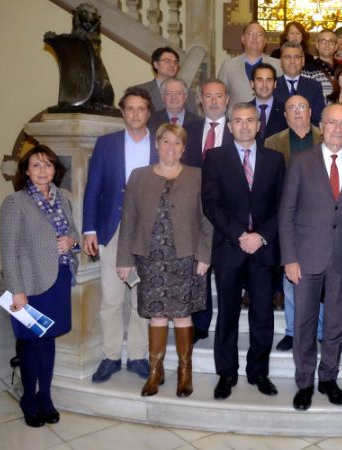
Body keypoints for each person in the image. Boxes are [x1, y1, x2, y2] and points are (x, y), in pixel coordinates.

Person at [279, 103, 342, 411]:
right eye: (332, 123)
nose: (338, 129)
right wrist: (289, 257)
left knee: (335, 325)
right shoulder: (302, 162)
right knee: (304, 324)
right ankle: (304, 382)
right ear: (321, 125)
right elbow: (286, 213)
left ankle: (328, 378)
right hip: (305, 258)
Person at [116, 123, 213, 397]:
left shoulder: (197, 176)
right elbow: (129, 220)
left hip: (185, 257)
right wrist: (125, 259)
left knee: (183, 317)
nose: (171, 147)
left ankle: (185, 373)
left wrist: (205, 255)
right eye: (166, 141)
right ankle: (155, 372)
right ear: (157, 145)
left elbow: (208, 220)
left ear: (184, 148)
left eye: (177, 143)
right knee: (156, 316)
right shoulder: (139, 176)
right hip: (150, 258)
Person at [201, 103, 286, 400]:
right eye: (238, 121)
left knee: (263, 313)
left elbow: (282, 205)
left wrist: (260, 236)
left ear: (259, 125)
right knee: (227, 313)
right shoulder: (214, 157)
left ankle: (258, 371)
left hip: (263, 250)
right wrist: (240, 234)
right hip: (229, 247)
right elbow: (210, 203)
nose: (245, 125)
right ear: (230, 126)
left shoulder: (275, 159)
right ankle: (226, 372)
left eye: (250, 120)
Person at [0, 145, 80, 427]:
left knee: (48, 341)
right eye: (36, 165)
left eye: (47, 164)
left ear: (55, 169)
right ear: (25, 171)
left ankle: (45, 397)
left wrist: (72, 242)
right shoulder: (15, 203)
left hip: (58, 279)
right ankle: (28, 399)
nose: (42, 170)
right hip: (30, 284)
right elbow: (8, 252)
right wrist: (16, 290)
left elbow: (73, 233)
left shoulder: (64, 198)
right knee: (32, 344)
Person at [83, 87, 156, 383]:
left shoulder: (161, 144)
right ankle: (111, 355)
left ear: (149, 113)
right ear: (122, 111)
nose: (136, 114)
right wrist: (90, 228)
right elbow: (93, 188)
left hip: (149, 233)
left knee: (143, 299)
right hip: (112, 229)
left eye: (141, 108)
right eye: (130, 108)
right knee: (111, 299)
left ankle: (138, 355)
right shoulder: (106, 144)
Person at [264, 95, 324, 352]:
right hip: (286, 220)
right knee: (291, 277)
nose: (297, 112)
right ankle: (292, 330)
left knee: (320, 277)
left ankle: (319, 330)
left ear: (310, 111)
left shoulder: (326, 137)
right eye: (292, 108)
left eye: (302, 106)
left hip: (321, 220)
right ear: (285, 115)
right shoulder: (272, 143)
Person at [181, 79, 233, 343]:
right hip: (192, 211)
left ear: (227, 99)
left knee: (223, 270)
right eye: (208, 96)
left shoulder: (238, 130)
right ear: (201, 99)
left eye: (218, 96)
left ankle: (226, 322)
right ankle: (200, 323)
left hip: (226, 211)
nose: (213, 101)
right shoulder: (188, 130)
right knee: (198, 269)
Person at [217, 22, 282, 107]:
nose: (254, 37)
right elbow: (219, 96)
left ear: (265, 41)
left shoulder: (278, 65)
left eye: (259, 34)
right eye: (250, 34)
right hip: (236, 118)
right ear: (243, 39)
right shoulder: (228, 66)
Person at [274, 41, 324, 126]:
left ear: (303, 61)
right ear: (281, 62)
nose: (292, 61)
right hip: (277, 137)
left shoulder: (314, 86)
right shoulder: (272, 85)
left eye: (296, 57)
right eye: (287, 57)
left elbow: (318, 119)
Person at [134, 47, 198, 114]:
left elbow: (193, 119)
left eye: (175, 62)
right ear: (156, 64)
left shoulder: (188, 93)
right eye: (167, 61)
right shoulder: (140, 91)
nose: (173, 65)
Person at [249, 63, 287, 144]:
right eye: (259, 80)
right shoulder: (244, 111)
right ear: (252, 83)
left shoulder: (285, 110)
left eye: (269, 80)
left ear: (275, 84)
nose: (264, 85)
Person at [303, 28, 337, 100]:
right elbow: (304, 98)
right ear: (317, 45)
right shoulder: (307, 71)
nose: (327, 44)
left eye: (331, 41)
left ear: (336, 47)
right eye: (323, 41)